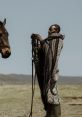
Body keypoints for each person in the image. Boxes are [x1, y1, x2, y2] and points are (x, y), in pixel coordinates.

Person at [31, 24, 65, 117]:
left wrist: (41, 40)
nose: (49, 31)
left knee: (52, 92)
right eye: (49, 29)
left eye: (52, 29)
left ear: (57, 31)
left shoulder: (58, 40)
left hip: (52, 73)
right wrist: (36, 46)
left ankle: (55, 114)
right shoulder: (48, 42)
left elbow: (50, 54)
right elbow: (44, 53)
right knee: (46, 93)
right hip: (45, 72)